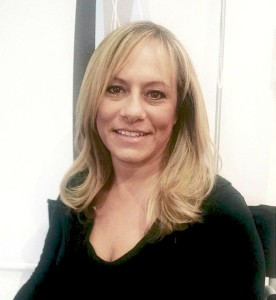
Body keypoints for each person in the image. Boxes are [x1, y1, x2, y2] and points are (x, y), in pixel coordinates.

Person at [13, 21, 265, 299]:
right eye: (115, 89)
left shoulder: (221, 211)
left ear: (179, 111)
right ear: (93, 101)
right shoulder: (76, 195)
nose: (132, 111)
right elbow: (38, 288)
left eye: (155, 94)